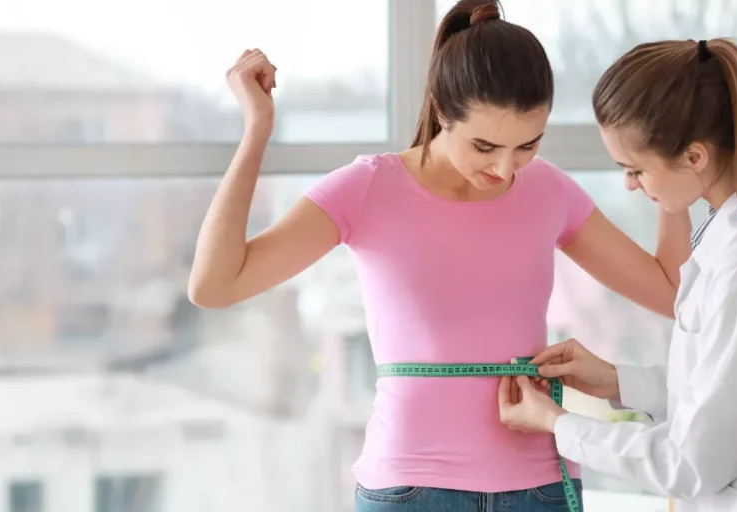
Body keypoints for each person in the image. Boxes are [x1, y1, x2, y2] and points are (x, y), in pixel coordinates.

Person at [187, 1, 691, 510]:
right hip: (412, 489)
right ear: (442, 111)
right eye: (484, 146)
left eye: (527, 146)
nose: (505, 169)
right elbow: (215, 284)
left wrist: (669, 166)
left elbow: (672, 291)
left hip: (538, 489)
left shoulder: (549, 191)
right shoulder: (368, 189)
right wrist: (257, 130)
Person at [497, 38, 737, 511]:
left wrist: (558, 424)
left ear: (694, 157)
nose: (629, 184)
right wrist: (616, 380)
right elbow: (734, 391)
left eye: (635, 169)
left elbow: (692, 460)